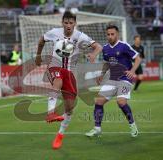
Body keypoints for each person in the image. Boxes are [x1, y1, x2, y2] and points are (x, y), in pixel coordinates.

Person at [35, 11, 102, 149]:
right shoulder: (55, 32)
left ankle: (60, 134)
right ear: (62, 23)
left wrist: (93, 54)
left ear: (75, 24)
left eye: (71, 23)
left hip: (70, 73)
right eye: (66, 22)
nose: (68, 25)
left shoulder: (80, 36)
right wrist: (38, 55)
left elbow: (98, 46)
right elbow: (41, 40)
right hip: (54, 66)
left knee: (70, 109)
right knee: (57, 81)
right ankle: (50, 113)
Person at [85, 25, 141, 138]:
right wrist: (102, 74)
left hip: (125, 79)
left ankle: (132, 125)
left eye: (112, 34)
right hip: (112, 79)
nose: (110, 36)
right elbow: (107, 63)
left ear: (117, 34)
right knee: (98, 101)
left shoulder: (124, 46)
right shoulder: (105, 48)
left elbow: (138, 58)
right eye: (108, 34)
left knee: (121, 102)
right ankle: (97, 129)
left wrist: (132, 71)